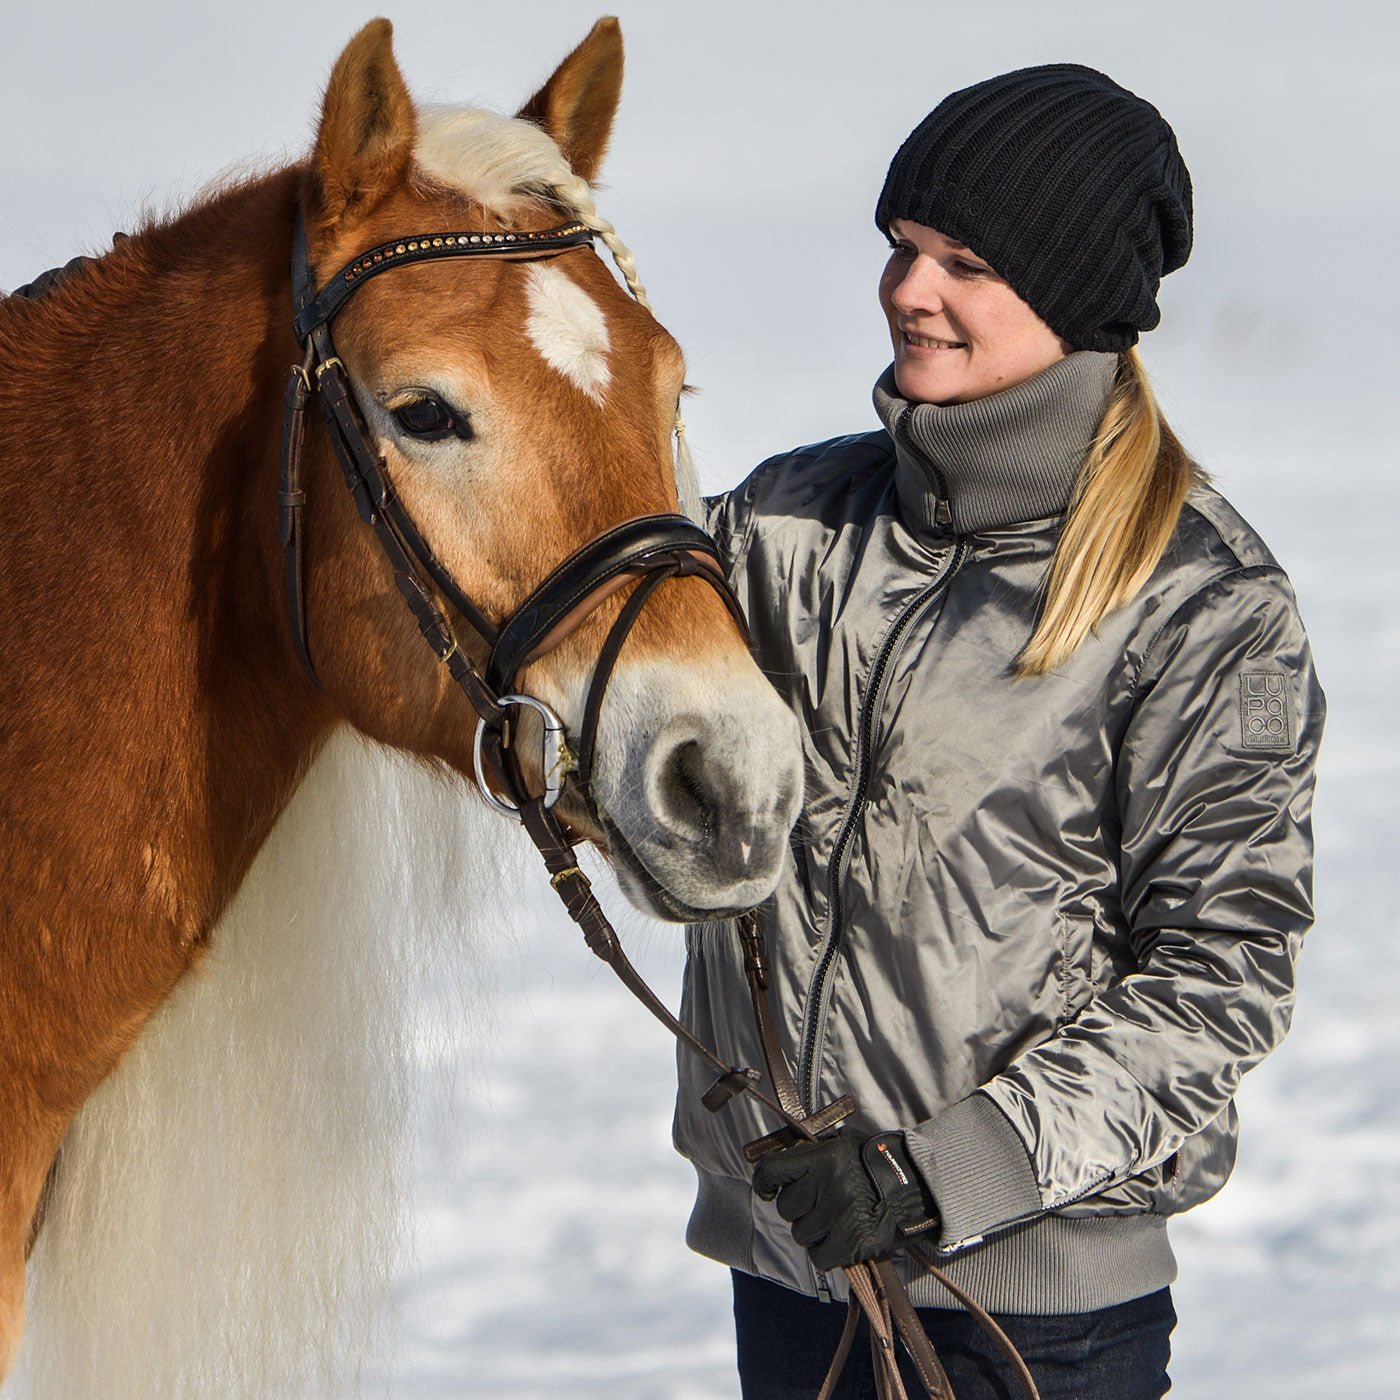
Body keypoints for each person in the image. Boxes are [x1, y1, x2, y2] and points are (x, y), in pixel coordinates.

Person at [673, 64, 1324, 1400]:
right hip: (797, 1274)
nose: (911, 289)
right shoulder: (785, 528)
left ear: (1077, 298)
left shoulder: (1201, 604)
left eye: (965, 262)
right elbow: (586, 694)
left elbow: (1222, 973)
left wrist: (936, 1178)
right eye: (904, 249)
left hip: (1031, 1317)